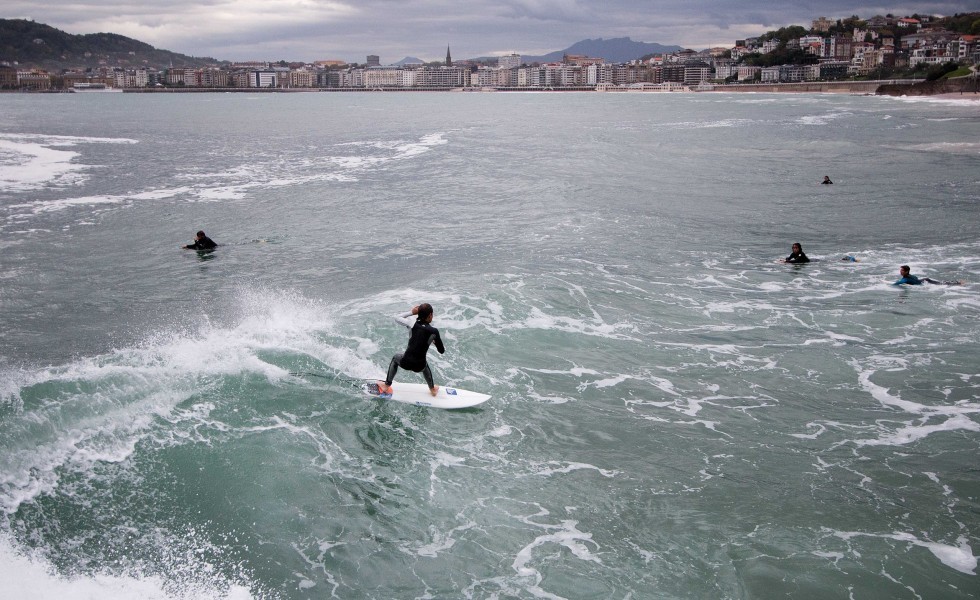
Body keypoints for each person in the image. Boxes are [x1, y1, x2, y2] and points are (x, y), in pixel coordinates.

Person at [377, 303, 445, 397]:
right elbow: (441, 351)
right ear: (430, 315)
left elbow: (397, 317)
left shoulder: (412, 324)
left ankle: (386, 385)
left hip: (406, 362)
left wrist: (411, 312)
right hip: (419, 366)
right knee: (425, 366)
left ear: (418, 314)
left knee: (395, 358)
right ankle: (432, 389)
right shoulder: (434, 332)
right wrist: (435, 342)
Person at [893, 265, 962, 286]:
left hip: (925, 282)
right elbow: (916, 278)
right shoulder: (910, 276)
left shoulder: (905, 279)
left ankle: (959, 283)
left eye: (902, 270)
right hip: (925, 280)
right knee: (942, 283)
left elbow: (897, 283)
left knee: (942, 284)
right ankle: (958, 282)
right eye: (900, 270)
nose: (900, 271)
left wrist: (892, 284)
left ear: (906, 271)